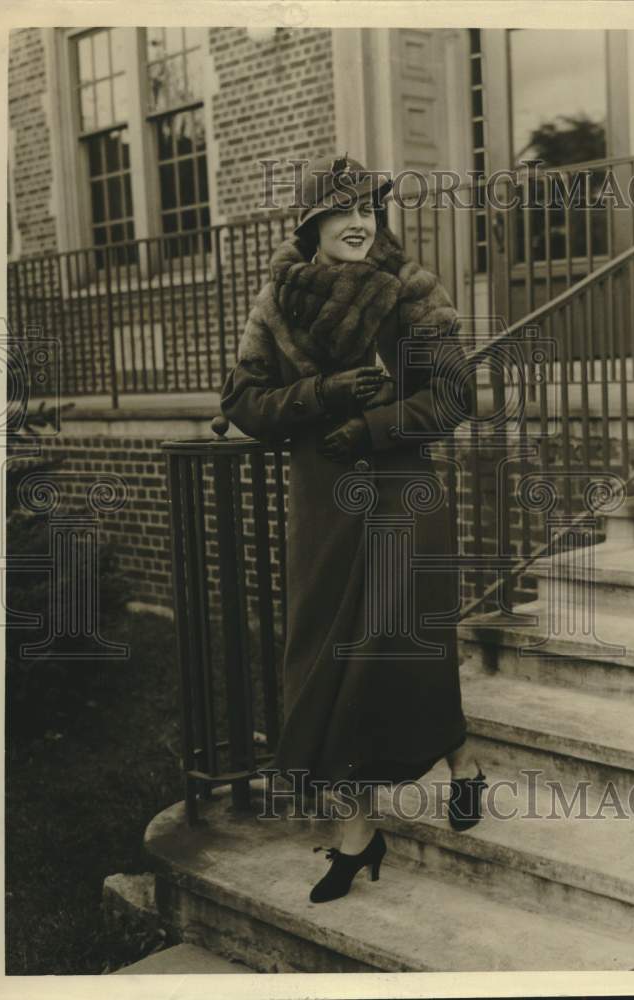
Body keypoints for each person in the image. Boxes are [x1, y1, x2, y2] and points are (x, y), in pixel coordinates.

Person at [219, 154, 487, 904]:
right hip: (324, 510)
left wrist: (372, 425)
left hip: (401, 500)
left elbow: (455, 398)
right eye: (343, 211)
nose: (359, 223)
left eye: (368, 209)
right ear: (312, 225)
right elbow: (243, 402)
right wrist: (321, 393)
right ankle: (360, 833)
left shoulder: (411, 290)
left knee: (398, 656)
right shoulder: (277, 301)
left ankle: (457, 765)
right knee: (327, 670)